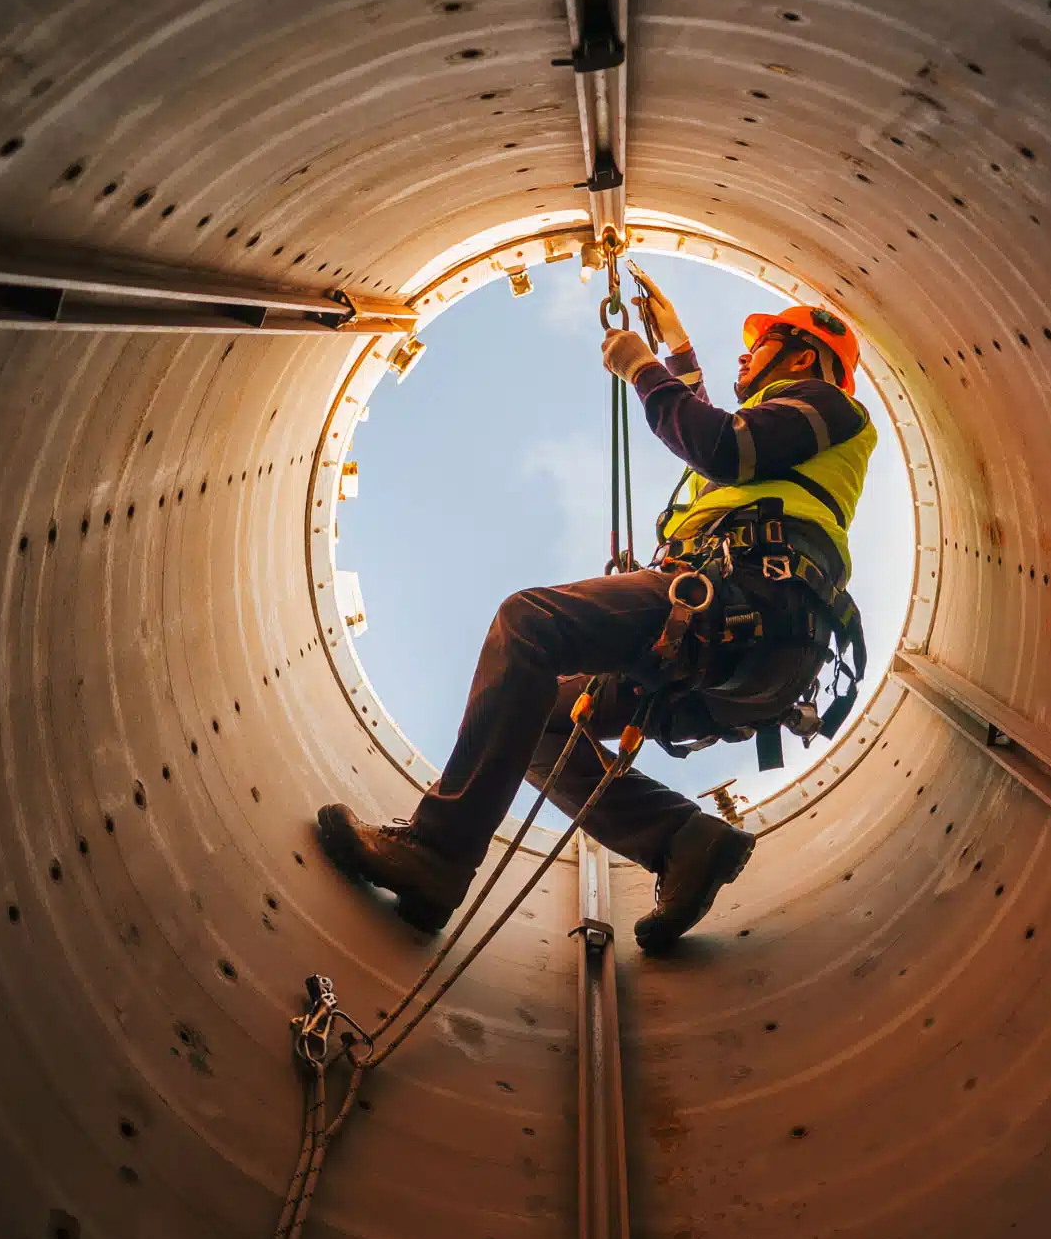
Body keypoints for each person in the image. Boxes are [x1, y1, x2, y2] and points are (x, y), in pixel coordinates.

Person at [316, 265, 874, 951]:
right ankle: (681, 842)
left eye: (761, 346)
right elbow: (707, 433)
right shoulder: (791, 436)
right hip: (739, 644)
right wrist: (673, 350)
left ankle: (435, 855)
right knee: (540, 715)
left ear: (805, 356)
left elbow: (723, 446)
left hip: (749, 607)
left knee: (528, 626)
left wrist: (640, 367)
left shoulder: (827, 404)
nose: (744, 357)